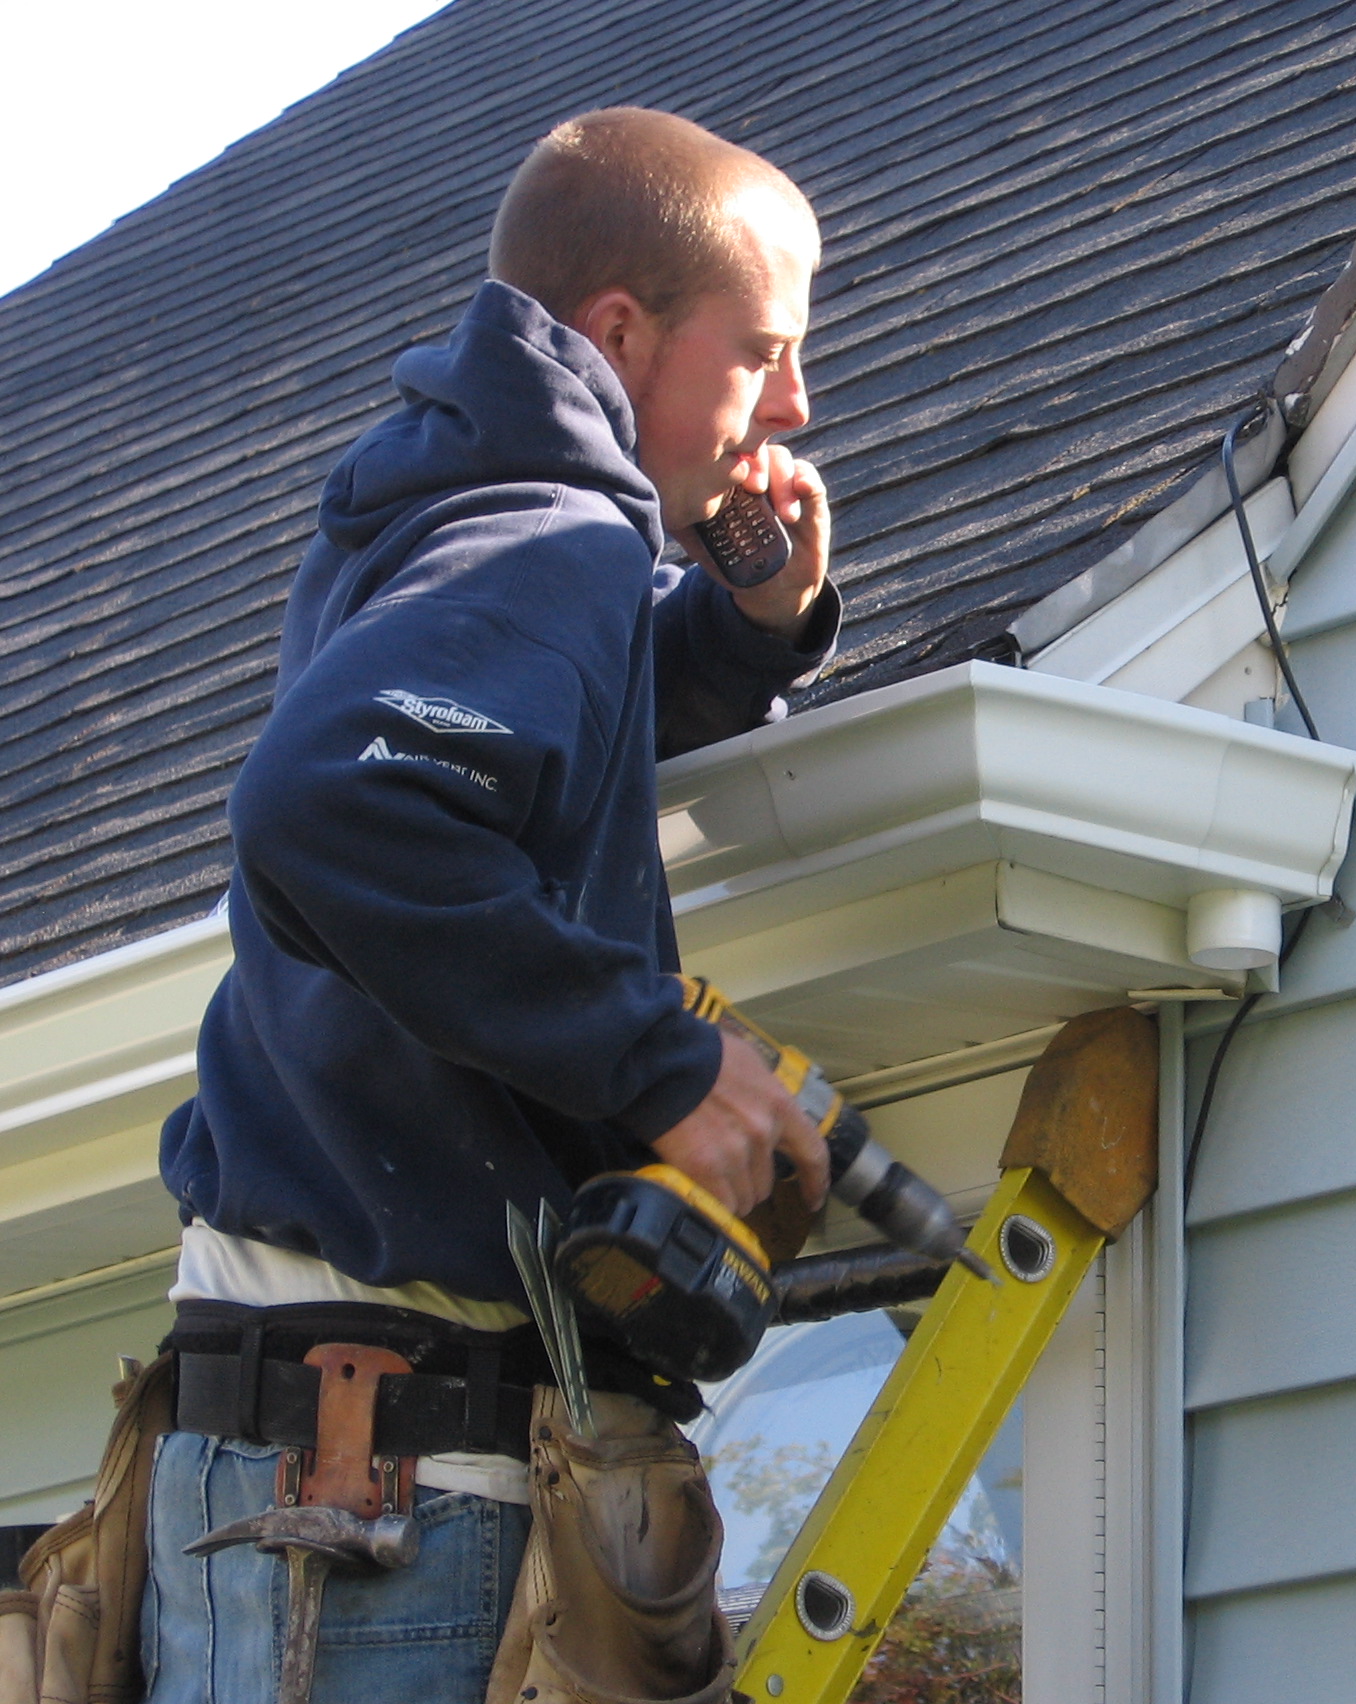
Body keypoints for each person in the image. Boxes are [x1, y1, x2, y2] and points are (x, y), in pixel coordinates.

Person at [141, 107, 839, 1702]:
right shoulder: (551, 536)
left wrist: (739, 635)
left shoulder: (471, 515)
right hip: (387, 1483)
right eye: (763, 353)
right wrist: (653, 1059)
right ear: (620, 333)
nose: (792, 403)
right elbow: (334, 804)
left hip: (325, 1468)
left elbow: (527, 726)